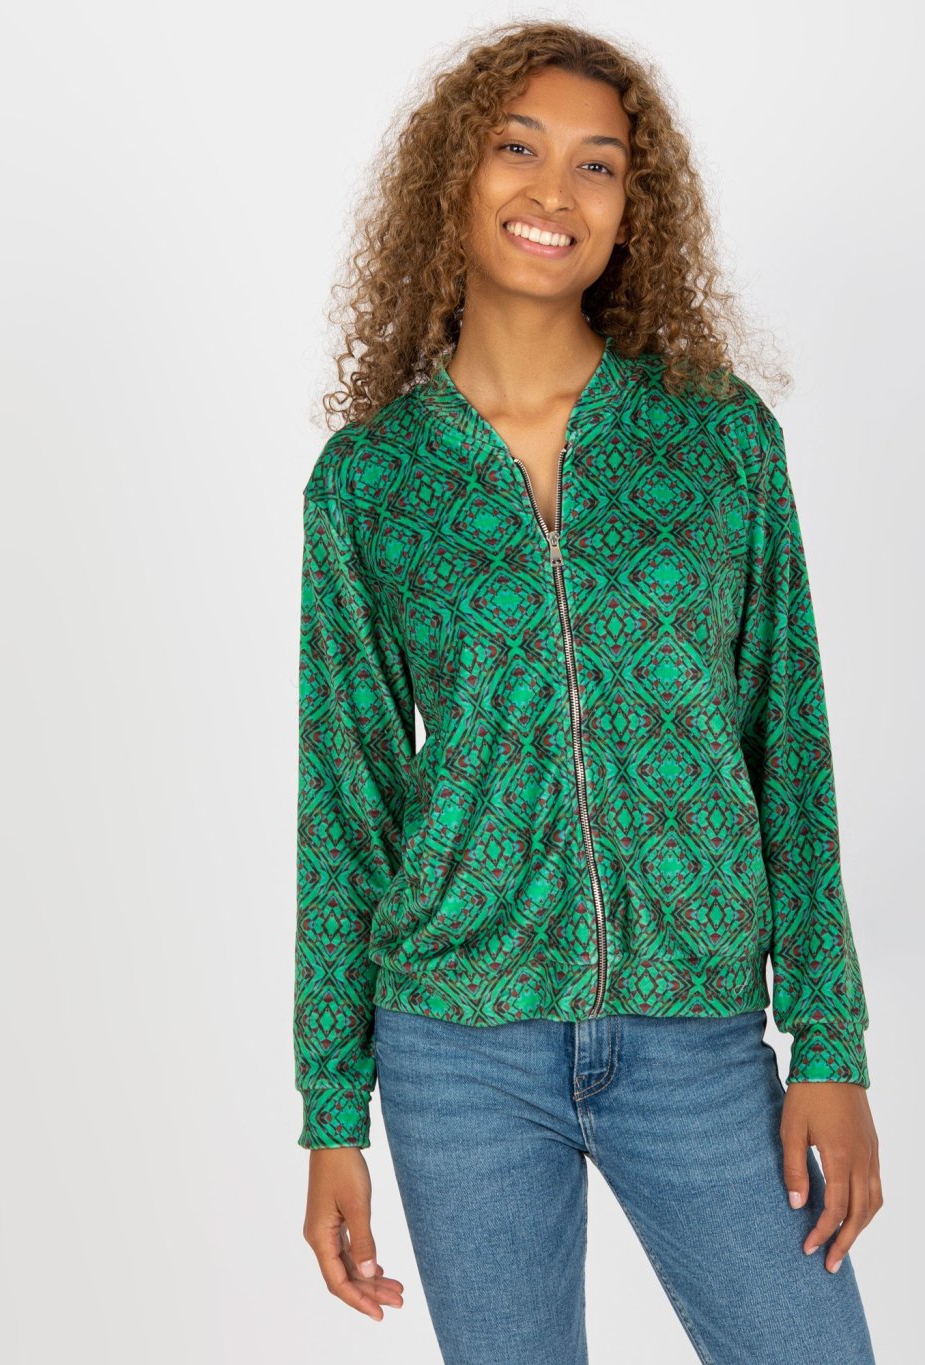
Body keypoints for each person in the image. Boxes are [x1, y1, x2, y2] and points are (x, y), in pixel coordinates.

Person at [292, 20, 882, 1364]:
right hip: (457, 1048)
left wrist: (830, 1043)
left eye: (598, 164)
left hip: (699, 1036)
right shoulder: (372, 482)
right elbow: (346, 803)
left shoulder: (716, 439)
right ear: (455, 175)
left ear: (632, 208)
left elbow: (789, 742)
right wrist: (331, 1113)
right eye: (518, 148)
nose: (553, 191)